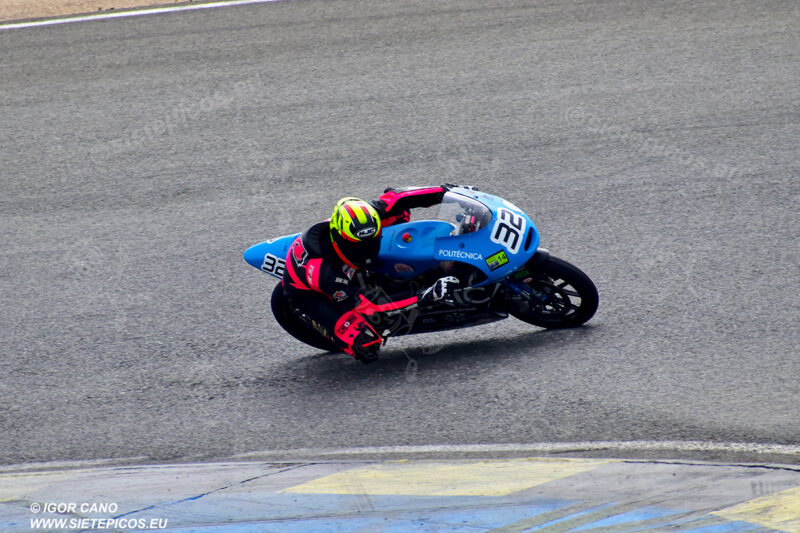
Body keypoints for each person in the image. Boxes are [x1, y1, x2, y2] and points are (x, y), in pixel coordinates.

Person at [282, 185, 462, 364]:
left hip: (346, 264)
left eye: (371, 242)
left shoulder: (368, 218)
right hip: (310, 294)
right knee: (367, 345)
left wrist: (447, 192)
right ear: (340, 239)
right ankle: (334, 333)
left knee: (401, 214)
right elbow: (373, 304)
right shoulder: (328, 274)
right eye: (358, 246)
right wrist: (425, 295)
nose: (366, 250)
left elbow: (399, 198)